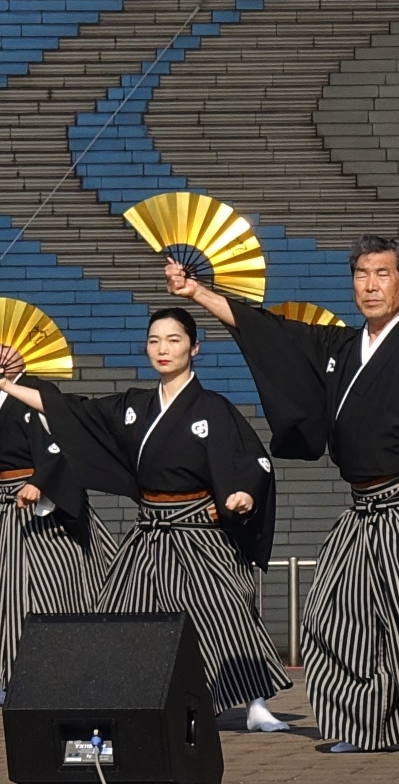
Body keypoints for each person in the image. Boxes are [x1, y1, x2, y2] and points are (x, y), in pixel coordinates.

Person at [165, 238, 399, 758]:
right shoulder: (341, 348)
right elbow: (269, 331)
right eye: (361, 274)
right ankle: (369, 726)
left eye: (382, 274)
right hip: (363, 510)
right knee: (333, 613)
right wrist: (198, 292)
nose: (371, 285)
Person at [0, 309, 290, 728]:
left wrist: (241, 492)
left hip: (197, 527)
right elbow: (73, 411)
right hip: (150, 527)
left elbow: (251, 460)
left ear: (195, 347)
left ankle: (255, 703)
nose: (163, 349)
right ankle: (127, 701)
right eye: (154, 340)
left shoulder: (213, 407)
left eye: (173, 340)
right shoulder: (134, 405)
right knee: (119, 609)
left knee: (224, 607)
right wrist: (9, 384)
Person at [0, 343, 92, 702]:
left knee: (44, 590)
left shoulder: (38, 392)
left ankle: (51, 674)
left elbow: (64, 444)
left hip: (38, 509)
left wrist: (40, 481)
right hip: (5, 504)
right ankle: (8, 675)